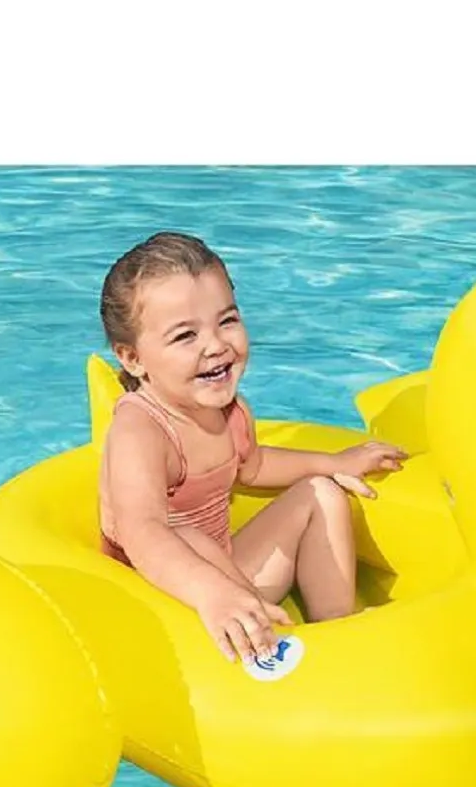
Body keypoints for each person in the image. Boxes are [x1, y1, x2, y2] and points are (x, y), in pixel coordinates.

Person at [97, 231, 407, 665]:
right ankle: (261, 634)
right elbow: (142, 532)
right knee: (182, 534)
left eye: (226, 321)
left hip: (230, 577)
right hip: (165, 599)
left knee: (321, 492)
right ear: (133, 359)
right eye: (185, 336)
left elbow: (254, 467)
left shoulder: (230, 410)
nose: (216, 345)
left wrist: (334, 462)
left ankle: (334, 625)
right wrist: (213, 592)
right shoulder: (140, 430)